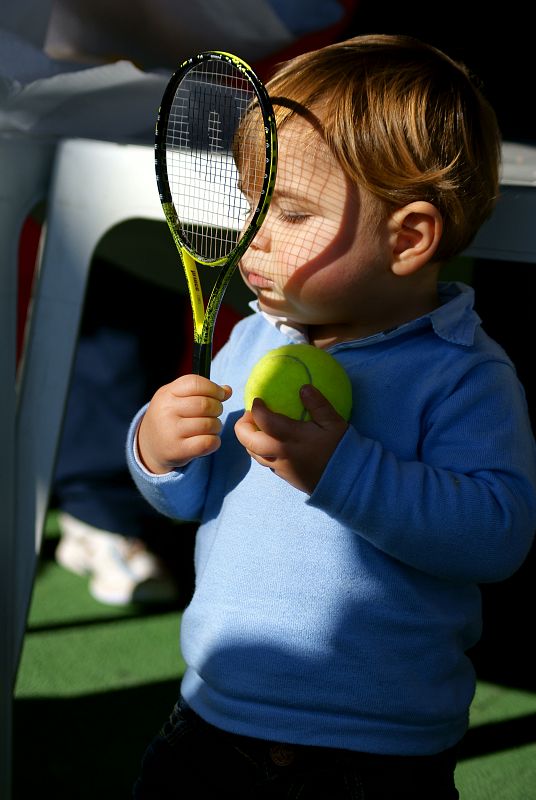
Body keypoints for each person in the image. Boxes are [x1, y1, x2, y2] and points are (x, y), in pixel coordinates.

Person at [126, 34, 536, 798]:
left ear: (408, 238)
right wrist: (158, 450)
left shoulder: (461, 373)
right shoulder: (250, 339)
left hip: (375, 756)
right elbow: (188, 498)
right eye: (253, 202)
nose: (252, 234)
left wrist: (342, 471)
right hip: (212, 719)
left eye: (289, 212)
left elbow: (496, 535)